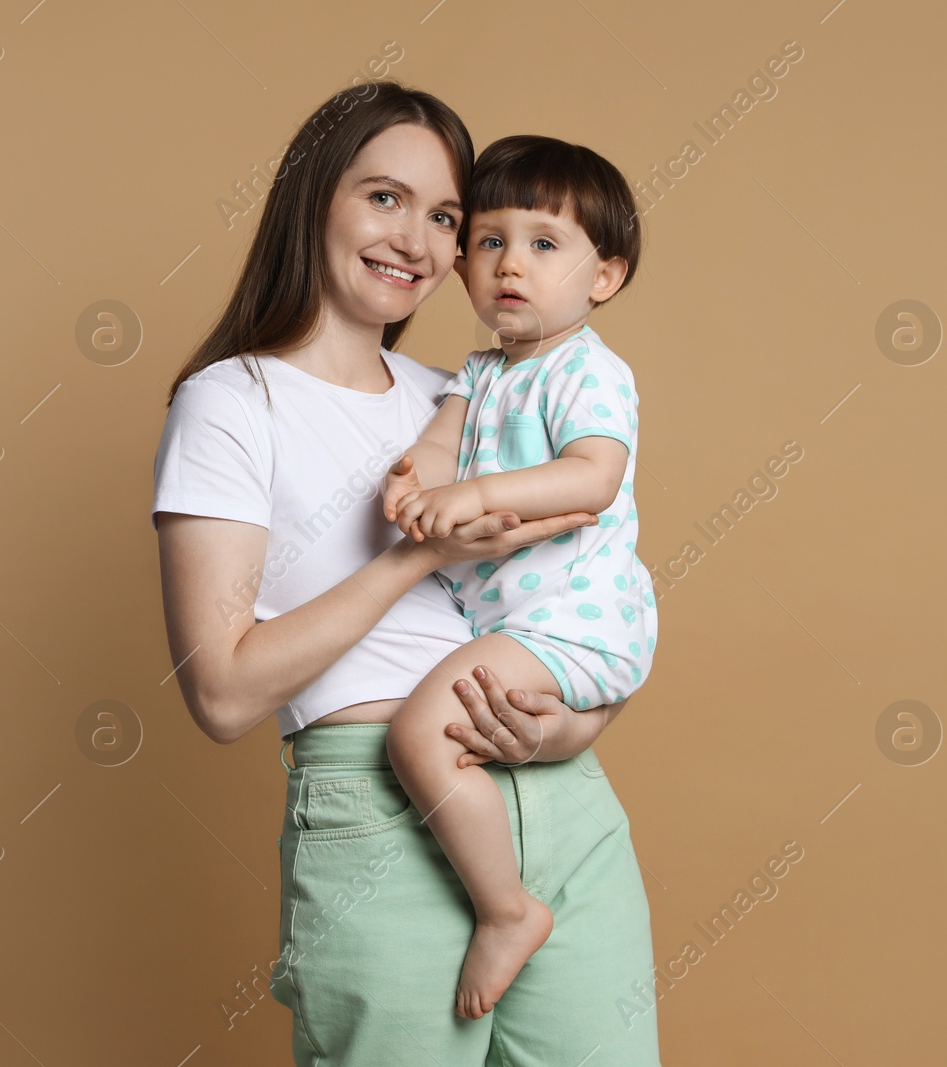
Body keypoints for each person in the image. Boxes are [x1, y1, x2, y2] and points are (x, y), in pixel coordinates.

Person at [151, 80, 661, 1066]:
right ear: (313, 198)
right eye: (384, 198)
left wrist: (573, 726)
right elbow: (220, 693)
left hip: (560, 795)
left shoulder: (478, 388)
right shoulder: (230, 402)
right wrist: (418, 555)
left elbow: (582, 587)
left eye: (444, 217)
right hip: (377, 807)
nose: (416, 242)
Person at [378, 133, 656, 1020]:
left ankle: (508, 909)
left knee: (419, 736)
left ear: (602, 278)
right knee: (447, 737)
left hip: (573, 620)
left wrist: (485, 491)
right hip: (518, 621)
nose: (510, 264)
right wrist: (414, 478)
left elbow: (593, 476)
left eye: (544, 244)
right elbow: (438, 440)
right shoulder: (480, 371)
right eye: (489, 241)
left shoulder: (589, 370)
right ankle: (505, 893)